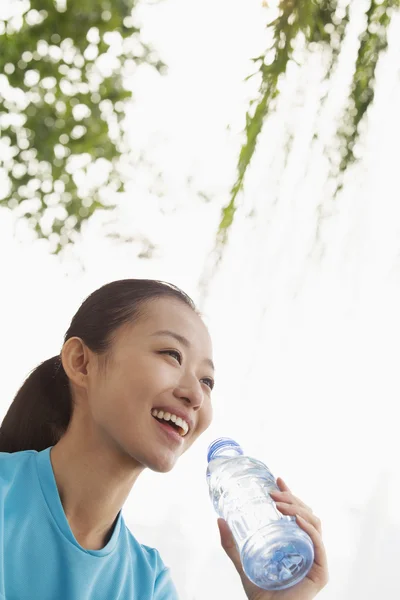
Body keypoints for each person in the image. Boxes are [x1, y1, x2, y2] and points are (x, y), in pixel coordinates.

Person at [0, 279, 328, 600]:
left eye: (207, 381)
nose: (195, 395)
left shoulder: (148, 583)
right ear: (81, 362)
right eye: (172, 355)